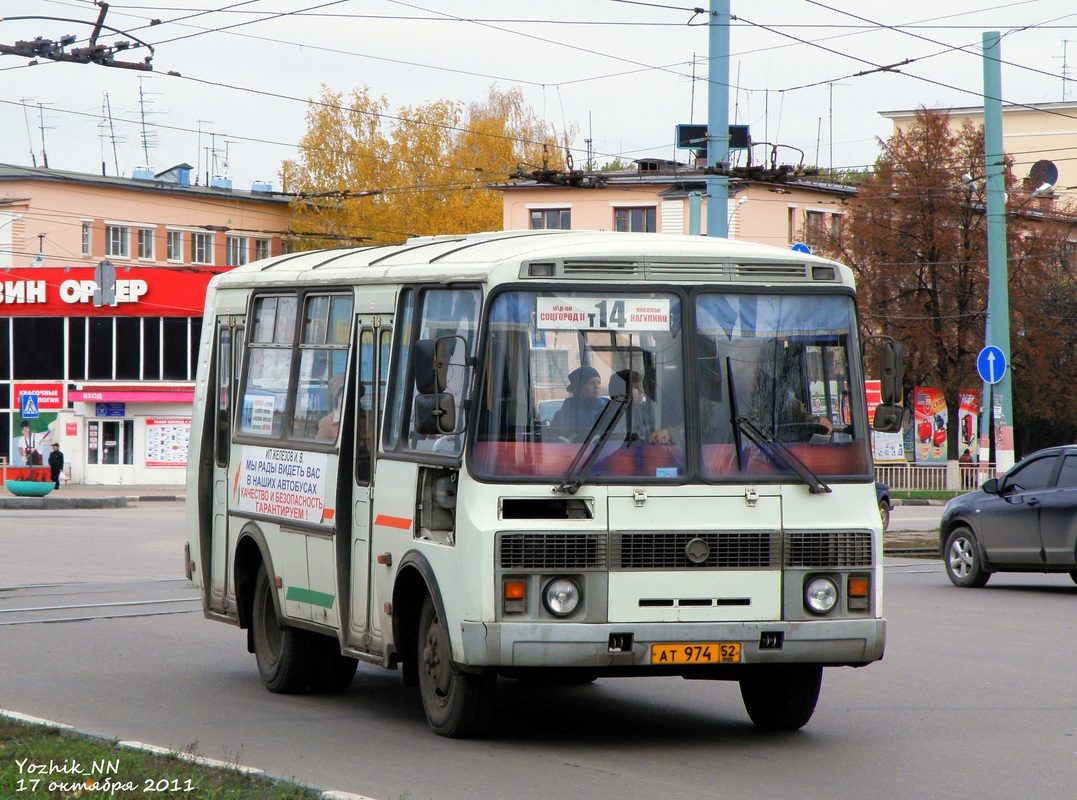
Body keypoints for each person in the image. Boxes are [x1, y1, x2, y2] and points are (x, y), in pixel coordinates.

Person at [608, 369, 670, 445]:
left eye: (641, 386)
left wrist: (664, 433)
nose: (642, 391)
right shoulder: (612, 415)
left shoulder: (648, 409)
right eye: (636, 387)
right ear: (623, 391)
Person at [550, 365, 608, 442]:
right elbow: (552, 440)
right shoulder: (563, 414)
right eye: (592, 383)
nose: (597, 386)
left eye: (599, 382)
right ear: (579, 388)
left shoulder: (609, 410)